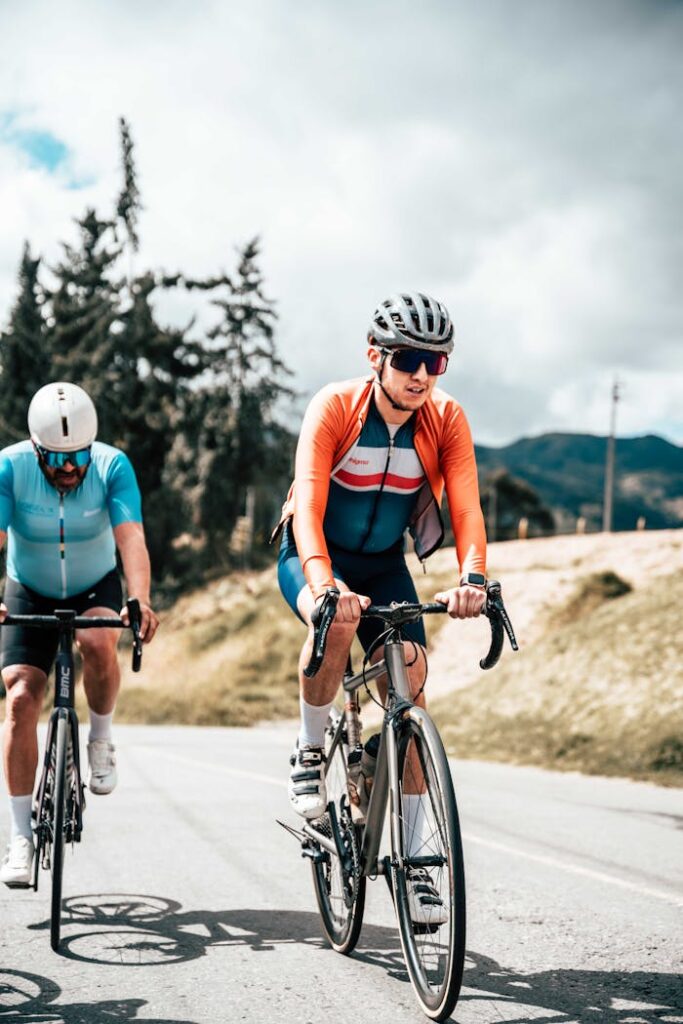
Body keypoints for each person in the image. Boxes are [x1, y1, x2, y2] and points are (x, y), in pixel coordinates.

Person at [274, 292, 488, 923]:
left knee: (413, 682)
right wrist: (322, 586)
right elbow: (308, 509)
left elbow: (468, 508)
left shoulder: (446, 419)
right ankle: (312, 748)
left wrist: (473, 576)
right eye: (408, 358)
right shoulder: (336, 406)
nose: (422, 373)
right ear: (376, 356)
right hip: (313, 551)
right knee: (337, 618)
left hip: (384, 563)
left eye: (436, 362)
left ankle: (419, 864)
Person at [0, 382, 159, 887]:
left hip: (94, 582)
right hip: (29, 586)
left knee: (97, 640)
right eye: (56, 459)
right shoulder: (10, 468)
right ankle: (20, 837)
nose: (69, 469)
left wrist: (139, 598)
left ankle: (101, 739)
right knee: (22, 698)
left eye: (78, 458)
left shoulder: (113, 467)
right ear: (35, 447)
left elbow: (130, 537)